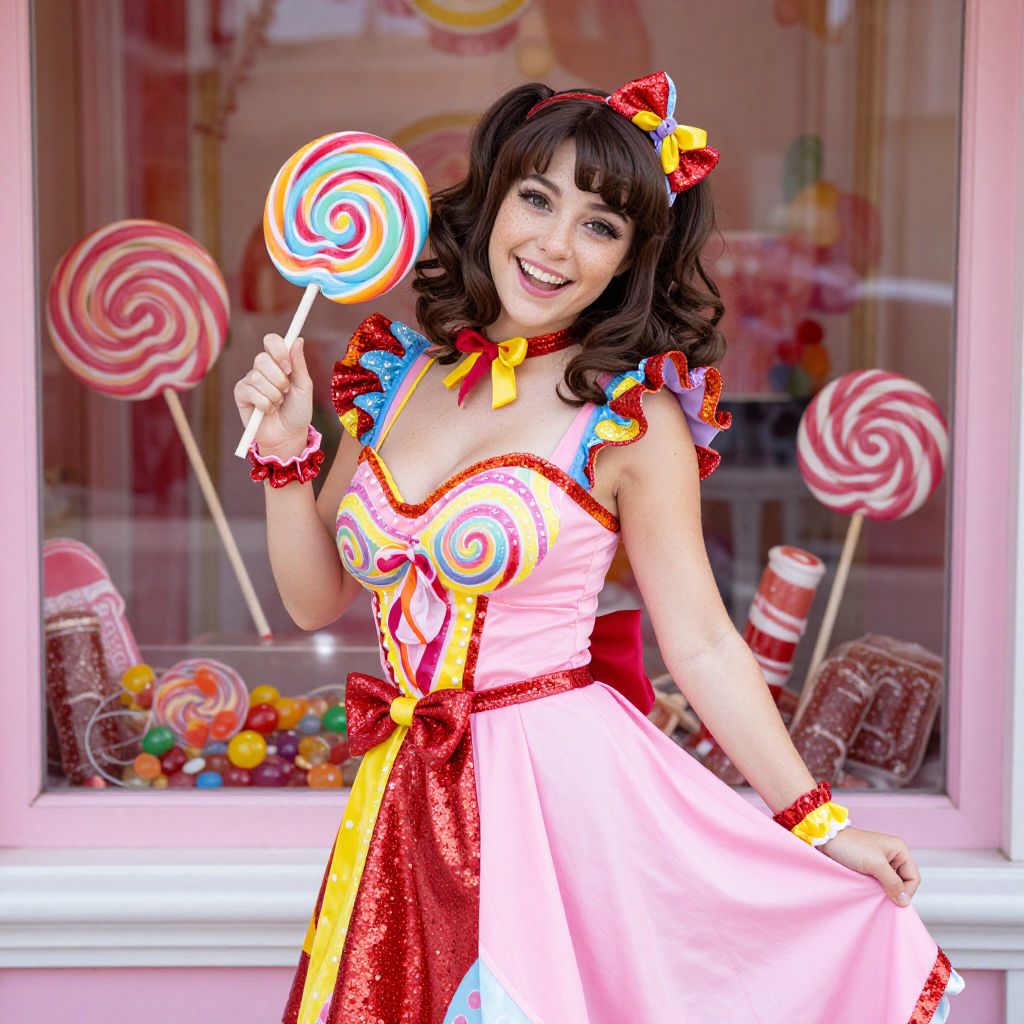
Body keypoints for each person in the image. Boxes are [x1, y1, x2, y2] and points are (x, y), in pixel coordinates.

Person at [235, 72, 964, 1024]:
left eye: (600, 225)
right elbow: (313, 600)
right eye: (537, 199)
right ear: (493, 200)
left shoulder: (629, 420)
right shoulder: (394, 379)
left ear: (629, 259)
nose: (553, 244)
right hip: (401, 793)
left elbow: (700, 639)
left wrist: (820, 825)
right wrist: (290, 452)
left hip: (560, 804)